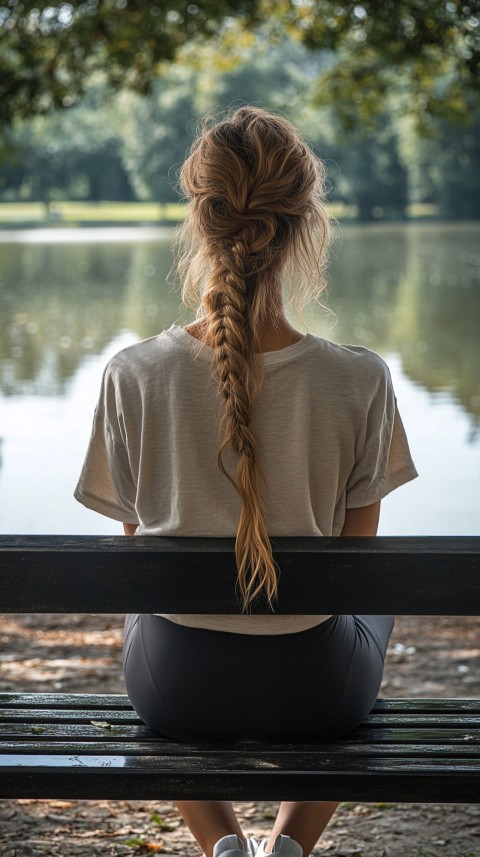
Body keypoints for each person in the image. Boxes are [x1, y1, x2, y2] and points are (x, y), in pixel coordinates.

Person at [75, 107, 417, 857]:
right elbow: (355, 577)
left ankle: (223, 844)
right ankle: (289, 844)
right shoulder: (360, 379)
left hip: (177, 689)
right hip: (319, 692)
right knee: (383, 599)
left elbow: (135, 568)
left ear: (200, 220)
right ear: (305, 226)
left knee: (142, 609)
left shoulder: (131, 374)